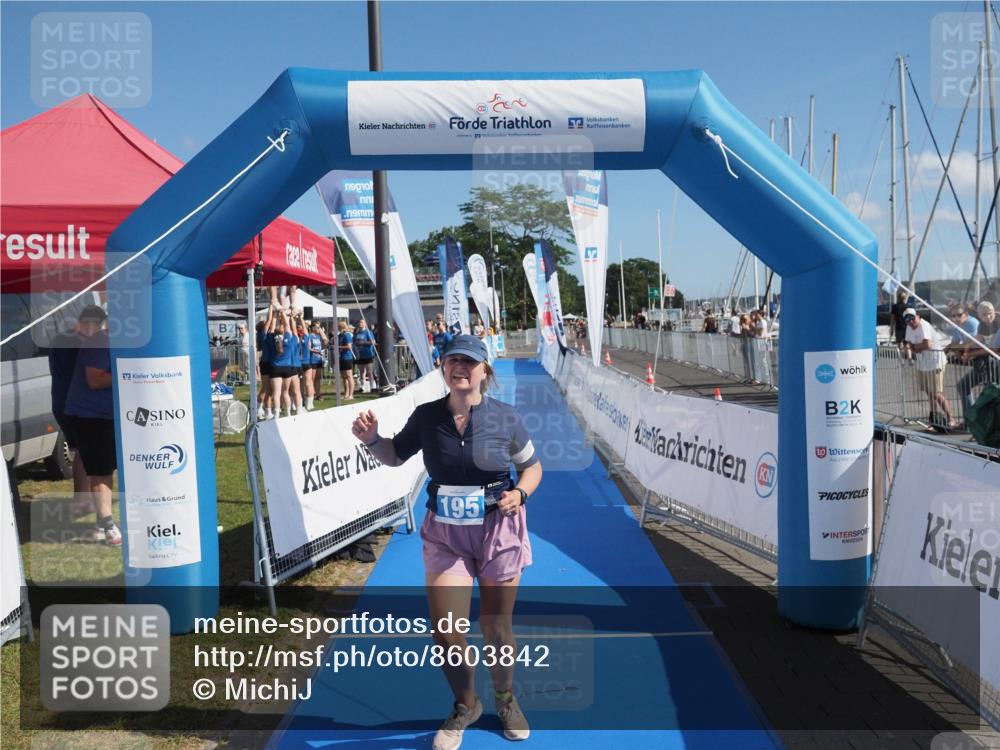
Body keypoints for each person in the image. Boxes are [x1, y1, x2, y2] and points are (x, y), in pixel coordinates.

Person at [351, 335, 542, 750]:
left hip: (498, 530)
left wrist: (520, 493)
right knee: (446, 630)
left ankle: (505, 699)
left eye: (469, 362)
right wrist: (372, 439)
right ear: (442, 367)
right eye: (452, 360)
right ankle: (466, 703)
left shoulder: (506, 417)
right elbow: (394, 455)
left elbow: (532, 468)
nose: (460, 367)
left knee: (496, 629)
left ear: (484, 370)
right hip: (446, 534)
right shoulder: (427, 416)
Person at [64, 306, 121, 546]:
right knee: (101, 469)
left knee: (109, 467)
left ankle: (100, 522)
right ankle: (108, 525)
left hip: (111, 415)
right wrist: (128, 374)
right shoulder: (100, 341)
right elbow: (95, 380)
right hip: (90, 416)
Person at [48, 307, 99, 516]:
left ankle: (82, 500)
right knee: (85, 451)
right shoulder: (80, 344)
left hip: (61, 401)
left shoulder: (59, 340)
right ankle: (82, 501)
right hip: (77, 403)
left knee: (81, 450)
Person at [903, 308, 958, 429]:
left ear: (918, 316)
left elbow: (927, 344)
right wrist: (914, 348)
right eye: (907, 320)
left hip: (935, 362)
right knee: (929, 392)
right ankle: (934, 419)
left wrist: (915, 348)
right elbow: (909, 344)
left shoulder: (924, 325)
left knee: (936, 393)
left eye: (912, 318)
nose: (910, 321)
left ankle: (951, 418)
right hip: (923, 364)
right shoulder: (909, 327)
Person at [353, 318, 376, 393]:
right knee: (361, 372)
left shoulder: (368, 332)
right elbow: (354, 342)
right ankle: (362, 386)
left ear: (365, 324)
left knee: (369, 372)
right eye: (359, 322)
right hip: (360, 355)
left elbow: (373, 342)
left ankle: (372, 387)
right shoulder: (357, 333)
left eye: (362, 322)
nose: (360, 324)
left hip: (368, 354)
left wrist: (363, 343)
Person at [338, 321, 356, 401]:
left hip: (347, 357)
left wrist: (339, 347)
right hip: (341, 357)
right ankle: (346, 393)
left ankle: (351, 395)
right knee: (344, 377)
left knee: (349, 376)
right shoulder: (340, 335)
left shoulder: (347, 335)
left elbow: (349, 346)